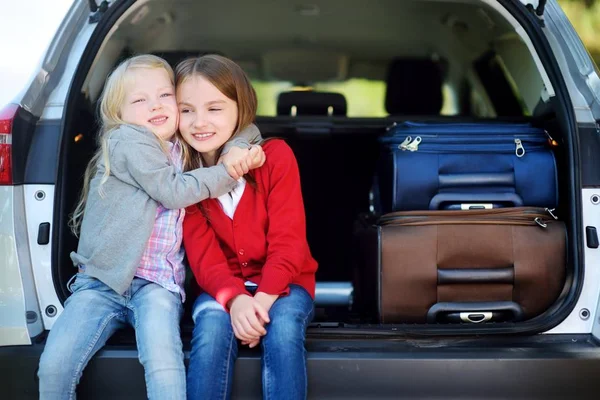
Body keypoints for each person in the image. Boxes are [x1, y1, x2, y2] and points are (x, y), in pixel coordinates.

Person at [37, 54, 265, 400]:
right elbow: (172, 192)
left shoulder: (184, 146)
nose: (155, 106)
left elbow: (245, 128)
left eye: (164, 96)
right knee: (55, 365)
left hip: (158, 285)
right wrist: (229, 170)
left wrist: (235, 147)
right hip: (102, 282)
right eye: (140, 100)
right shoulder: (128, 141)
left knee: (165, 366)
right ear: (120, 114)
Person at [179, 54, 317, 400]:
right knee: (211, 327)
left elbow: (289, 244)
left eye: (214, 108)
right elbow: (203, 259)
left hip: (285, 285)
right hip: (222, 287)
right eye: (186, 110)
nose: (199, 122)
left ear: (241, 110)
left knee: (283, 329)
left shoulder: (276, 158)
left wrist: (260, 303)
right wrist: (236, 301)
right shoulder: (184, 180)